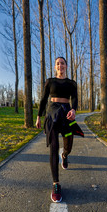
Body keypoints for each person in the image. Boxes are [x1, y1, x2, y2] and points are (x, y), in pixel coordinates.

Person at [36, 57, 81, 203]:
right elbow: (43, 99)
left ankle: (65, 155)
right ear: (55, 67)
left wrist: (73, 110)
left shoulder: (71, 83)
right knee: (53, 148)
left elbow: (74, 98)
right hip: (52, 114)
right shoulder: (50, 81)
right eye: (57, 63)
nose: (60, 65)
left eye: (62, 63)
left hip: (66, 115)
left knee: (68, 146)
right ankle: (56, 183)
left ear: (66, 66)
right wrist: (38, 117)